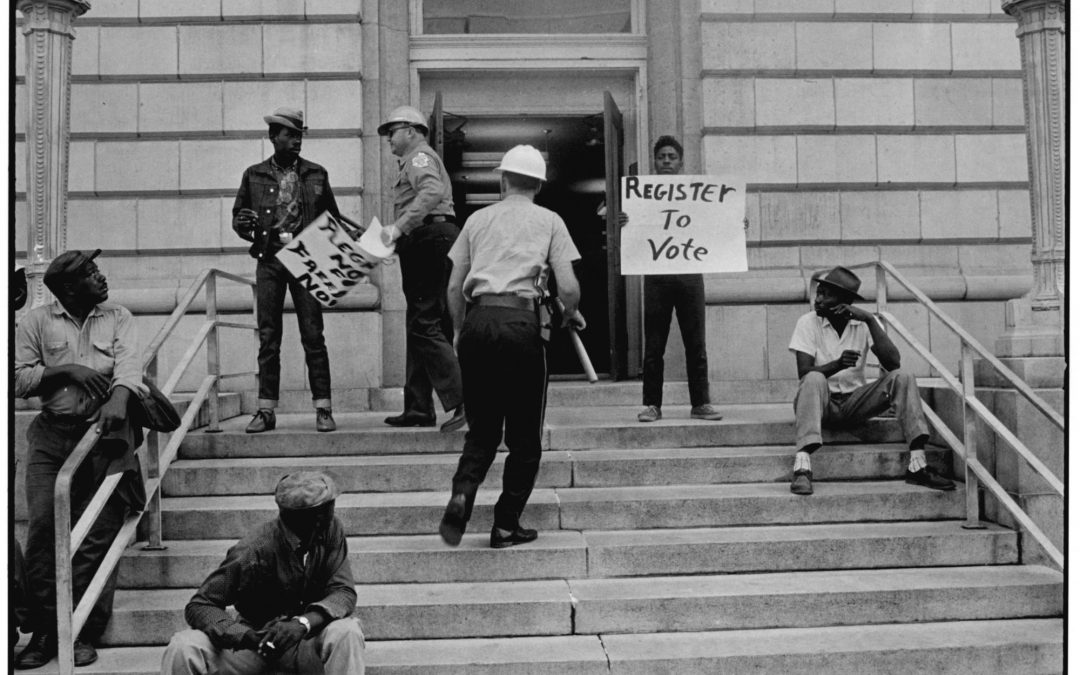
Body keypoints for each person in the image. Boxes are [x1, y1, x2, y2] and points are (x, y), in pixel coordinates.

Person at [439, 145, 586, 549]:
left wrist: (458, 330)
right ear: (538, 183)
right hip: (522, 325)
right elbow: (568, 287)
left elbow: (454, 286)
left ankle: (462, 493)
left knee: (482, 432)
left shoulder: (477, 219)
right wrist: (568, 313)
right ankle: (505, 524)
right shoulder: (550, 220)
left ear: (503, 180)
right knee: (524, 438)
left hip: (478, 322)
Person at [14, 250, 148, 669]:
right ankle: (45, 631)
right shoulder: (35, 322)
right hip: (52, 435)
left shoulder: (118, 316)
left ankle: (83, 630)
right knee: (42, 531)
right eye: (91, 273)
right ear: (69, 288)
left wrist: (120, 398)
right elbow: (16, 377)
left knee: (96, 536)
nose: (101, 277)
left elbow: (130, 366)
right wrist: (67, 370)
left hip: (103, 438)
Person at [161, 471, 365, 674]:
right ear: (309, 517)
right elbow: (201, 605)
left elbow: (343, 591)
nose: (331, 516)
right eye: (326, 511)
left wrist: (303, 623)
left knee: (347, 631)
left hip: (308, 644)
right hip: (256, 650)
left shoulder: (330, 530)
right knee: (184, 646)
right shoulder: (252, 551)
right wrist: (245, 636)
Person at [788, 266, 956, 495]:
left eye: (826, 294)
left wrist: (869, 319)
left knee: (903, 376)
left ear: (845, 301)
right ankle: (802, 467)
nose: (818, 299)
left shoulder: (865, 323)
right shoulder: (807, 322)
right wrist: (838, 364)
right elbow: (804, 372)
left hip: (855, 403)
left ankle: (918, 465)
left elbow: (893, 363)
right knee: (814, 377)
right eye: (818, 293)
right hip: (820, 404)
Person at [233, 106, 340, 434]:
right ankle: (266, 411)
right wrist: (241, 225)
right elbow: (239, 217)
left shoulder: (316, 173)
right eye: (289, 135)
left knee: (313, 335)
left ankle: (323, 408)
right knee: (269, 337)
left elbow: (332, 220)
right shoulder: (254, 174)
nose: (296, 141)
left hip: (306, 259)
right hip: (269, 261)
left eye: (299, 135)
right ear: (272, 137)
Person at [620, 136, 724, 423]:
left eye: (671, 157)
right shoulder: (642, 196)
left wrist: (736, 225)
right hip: (657, 278)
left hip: (690, 277)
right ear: (654, 162)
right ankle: (652, 404)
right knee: (654, 345)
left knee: (696, 344)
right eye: (661, 156)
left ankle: (701, 402)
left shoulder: (695, 193)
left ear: (681, 162)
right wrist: (625, 224)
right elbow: (636, 237)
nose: (666, 161)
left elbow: (717, 225)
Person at [377, 105, 466, 433]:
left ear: (412, 130)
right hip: (429, 238)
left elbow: (431, 192)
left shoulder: (418, 157)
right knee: (420, 320)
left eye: (393, 130)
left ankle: (465, 399)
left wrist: (398, 228)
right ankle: (418, 407)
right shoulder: (413, 159)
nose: (389, 138)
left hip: (429, 237)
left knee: (424, 322)